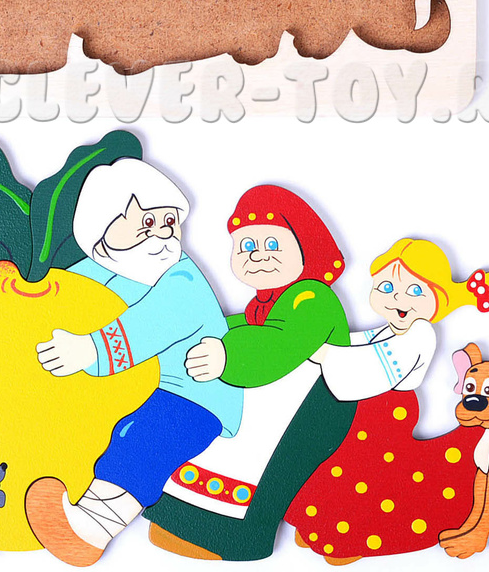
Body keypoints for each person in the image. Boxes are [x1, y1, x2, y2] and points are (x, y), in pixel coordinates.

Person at [25, 158, 241, 567]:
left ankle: (91, 528)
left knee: (141, 436)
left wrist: (90, 350)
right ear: (102, 230)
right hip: (134, 386)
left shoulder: (181, 279)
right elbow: (67, 298)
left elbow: (149, 327)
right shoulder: (95, 271)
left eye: (169, 222)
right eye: (147, 222)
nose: (162, 234)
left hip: (194, 397)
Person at [144, 184, 354, 561]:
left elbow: (281, 344)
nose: (258, 255)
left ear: (304, 247)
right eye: (245, 246)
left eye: (272, 244)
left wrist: (227, 356)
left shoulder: (313, 298)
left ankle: (232, 538)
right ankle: (183, 520)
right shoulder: (261, 306)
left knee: (259, 466)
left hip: (309, 412)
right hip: (270, 401)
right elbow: (236, 328)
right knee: (215, 442)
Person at [287, 239, 489, 562]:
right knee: (336, 468)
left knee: (368, 480)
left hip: (383, 415)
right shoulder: (390, 329)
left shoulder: (420, 334)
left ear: (438, 299)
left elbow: (374, 362)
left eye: (415, 290)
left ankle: (346, 538)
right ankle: (316, 524)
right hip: (362, 416)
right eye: (387, 286)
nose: (397, 298)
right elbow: (358, 342)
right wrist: (325, 342)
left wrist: (326, 354)